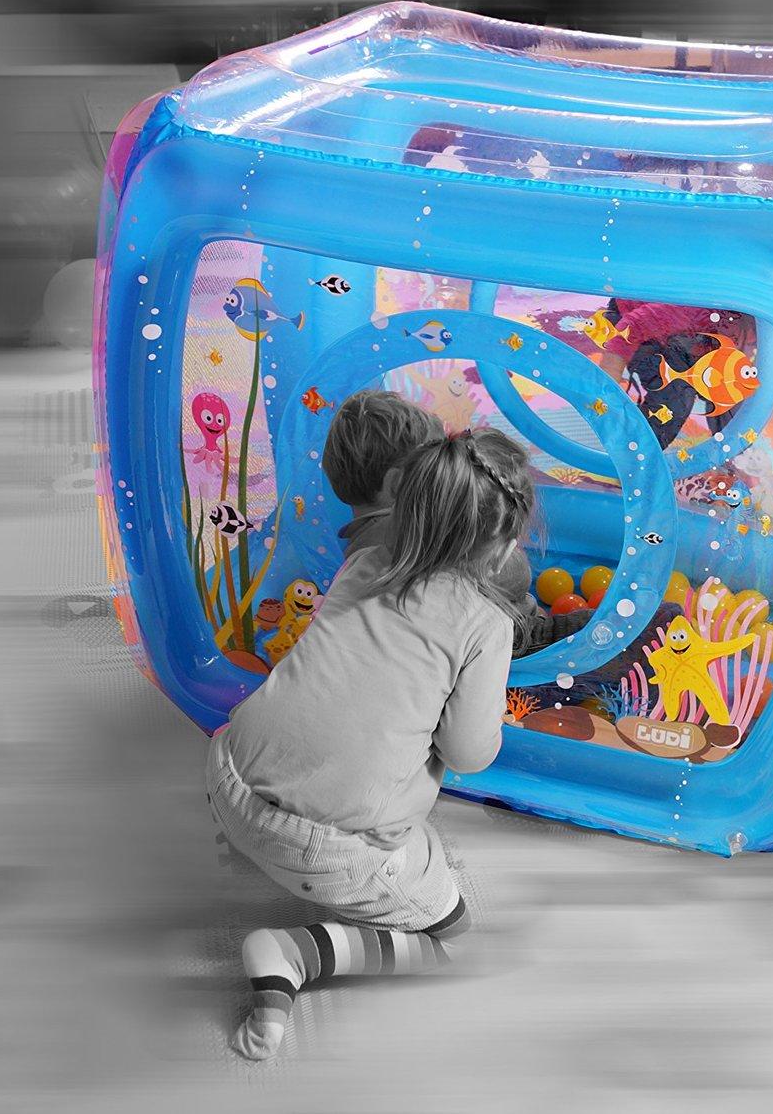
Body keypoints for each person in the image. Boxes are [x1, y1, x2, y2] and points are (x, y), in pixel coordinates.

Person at [206, 428, 534, 1060]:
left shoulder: (364, 562)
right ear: (501, 549)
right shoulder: (486, 623)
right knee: (455, 940)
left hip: (227, 775)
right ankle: (292, 956)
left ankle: (254, 849)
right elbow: (469, 754)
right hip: (316, 848)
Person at [323, 390, 589, 655]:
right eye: (437, 470)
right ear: (398, 483)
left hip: (488, 624)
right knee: (596, 632)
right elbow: (511, 575)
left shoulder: (361, 543)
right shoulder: (403, 535)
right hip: (503, 640)